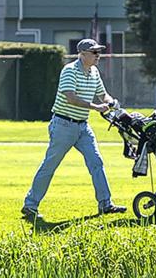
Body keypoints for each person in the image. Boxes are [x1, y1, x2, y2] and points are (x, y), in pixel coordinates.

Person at [21, 39, 125, 223]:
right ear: (82, 54)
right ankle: (30, 205)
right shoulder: (69, 70)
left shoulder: (94, 72)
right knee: (50, 165)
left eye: (98, 52)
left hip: (82, 126)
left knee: (96, 162)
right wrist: (95, 107)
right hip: (63, 125)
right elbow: (71, 98)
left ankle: (105, 203)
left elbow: (103, 94)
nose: (97, 56)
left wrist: (110, 102)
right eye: (94, 53)